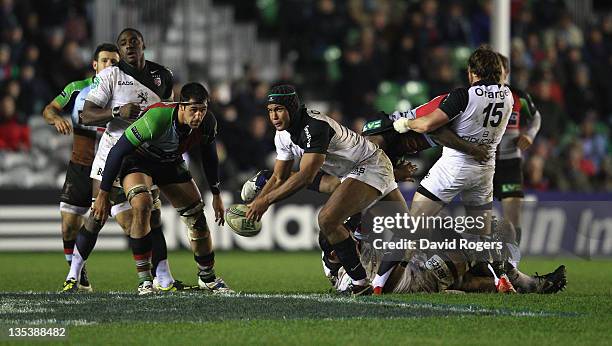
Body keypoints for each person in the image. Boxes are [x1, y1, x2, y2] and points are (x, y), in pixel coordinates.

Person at [247, 84, 409, 296]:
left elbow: (306, 176)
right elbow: (279, 177)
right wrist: (260, 200)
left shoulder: (313, 126)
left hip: (370, 165)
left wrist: (265, 201)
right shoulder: (282, 136)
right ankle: (362, 268)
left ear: (292, 108)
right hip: (355, 171)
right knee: (404, 228)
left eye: (278, 109)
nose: (274, 116)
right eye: (269, 111)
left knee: (327, 220)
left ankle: (360, 283)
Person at [63, 28, 186, 293]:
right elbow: (85, 115)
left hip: (145, 156)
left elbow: (168, 116)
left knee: (150, 217)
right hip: (112, 153)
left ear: (143, 45)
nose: (129, 46)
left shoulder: (163, 75)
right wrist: (117, 111)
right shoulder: (110, 76)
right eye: (123, 43)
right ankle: (73, 274)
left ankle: (162, 277)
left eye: (134, 42)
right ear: (119, 50)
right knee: (98, 214)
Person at [381, 45, 514, 292]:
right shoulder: (508, 96)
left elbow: (428, 125)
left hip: (453, 169)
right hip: (485, 170)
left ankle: (382, 283)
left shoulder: (464, 95)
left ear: (473, 72)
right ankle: (501, 279)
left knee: (414, 225)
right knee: (480, 235)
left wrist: (405, 123)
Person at [91, 82, 231, 294]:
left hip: (169, 162)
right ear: (180, 106)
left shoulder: (207, 123)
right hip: (137, 160)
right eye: (193, 110)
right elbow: (118, 151)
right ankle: (145, 280)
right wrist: (103, 193)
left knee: (197, 217)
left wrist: (216, 193)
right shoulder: (157, 118)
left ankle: (207, 277)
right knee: (142, 205)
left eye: (202, 110)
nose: (198, 116)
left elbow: (209, 157)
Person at [42, 43, 120, 291]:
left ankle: (151, 277)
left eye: (114, 62)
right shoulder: (76, 90)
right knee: (68, 226)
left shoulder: (124, 94)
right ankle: (77, 273)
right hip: (80, 166)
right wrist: (56, 119)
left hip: (111, 169)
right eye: (105, 60)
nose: (110, 65)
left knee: (127, 222)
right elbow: (49, 109)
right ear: (94, 65)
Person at [493, 53, 541, 253]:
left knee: (513, 215)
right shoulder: (473, 96)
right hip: (482, 163)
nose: (495, 75)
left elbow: (536, 117)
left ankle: (511, 263)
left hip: (510, 163)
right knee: (480, 218)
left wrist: (529, 135)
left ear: (507, 73)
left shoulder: (518, 96)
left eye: (499, 71)